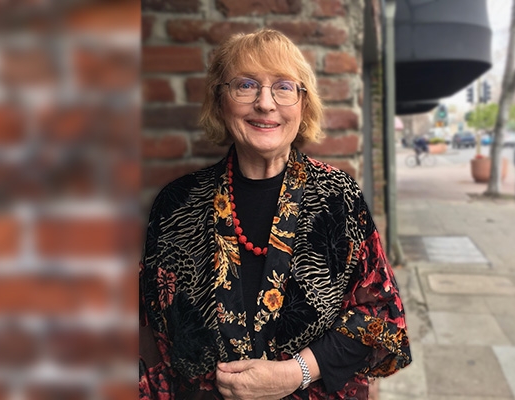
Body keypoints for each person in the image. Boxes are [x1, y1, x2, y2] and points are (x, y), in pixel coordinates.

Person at [139, 29, 411, 399]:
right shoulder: (175, 205)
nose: (265, 104)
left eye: (284, 87)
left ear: (303, 105)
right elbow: (150, 342)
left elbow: (381, 317)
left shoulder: (338, 197)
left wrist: (294, 373)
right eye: (246, 85)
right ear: (221, 101)